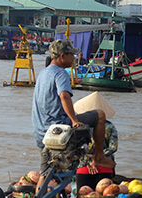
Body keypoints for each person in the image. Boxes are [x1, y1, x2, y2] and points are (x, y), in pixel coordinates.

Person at [32, 39, 114, 189]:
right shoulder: (60, 73)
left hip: (41, 131)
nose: (74, 59)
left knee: (44, 173)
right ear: (63, 56)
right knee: (100, 114)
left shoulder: (43, 73)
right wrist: (74, 120)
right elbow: (64, 96)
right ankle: (99, 156)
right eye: (72, 55)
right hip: (59, 127)